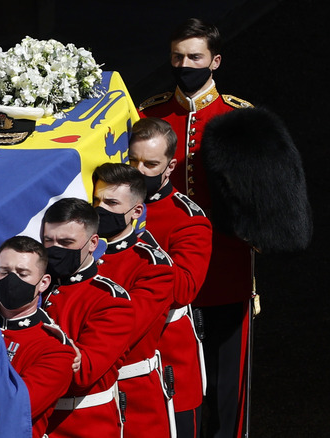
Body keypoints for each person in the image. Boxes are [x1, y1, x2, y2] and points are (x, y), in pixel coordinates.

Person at [138, 18, 254, 438]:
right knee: (168, 376)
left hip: (224, 265)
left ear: (214, 61)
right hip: (162, 261)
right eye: (178, 56)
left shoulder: (240, 118)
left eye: (194, 57)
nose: (184, 64)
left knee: (226, 384)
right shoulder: (149, 114)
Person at [128, 118, 213, 438]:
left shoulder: (188, 219)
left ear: (170, 166)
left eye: (150, 164)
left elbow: (185, 290)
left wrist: (139, 238)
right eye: (132, 161)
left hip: (167, 357)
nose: (138, 171)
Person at [92, 163, 176, 438]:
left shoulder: (152, 266)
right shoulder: (80, 256)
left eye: (111, 203)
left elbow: (126, 331)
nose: (100, 209)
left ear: (136, 211)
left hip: (134, 395)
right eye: (96, 201)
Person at [40, 198, 135, 438]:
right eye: (48, 241)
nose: (55, 249)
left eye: (66, 242)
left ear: (92, 243)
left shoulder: (111, 300)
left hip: (80, 424)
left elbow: (84, 373)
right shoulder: (38, 284)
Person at [0, 235, 77, 438]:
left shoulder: (55, 350)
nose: (11, 280)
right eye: (4, 272)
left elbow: (12, 409)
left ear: (43, 283)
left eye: (23, 274)